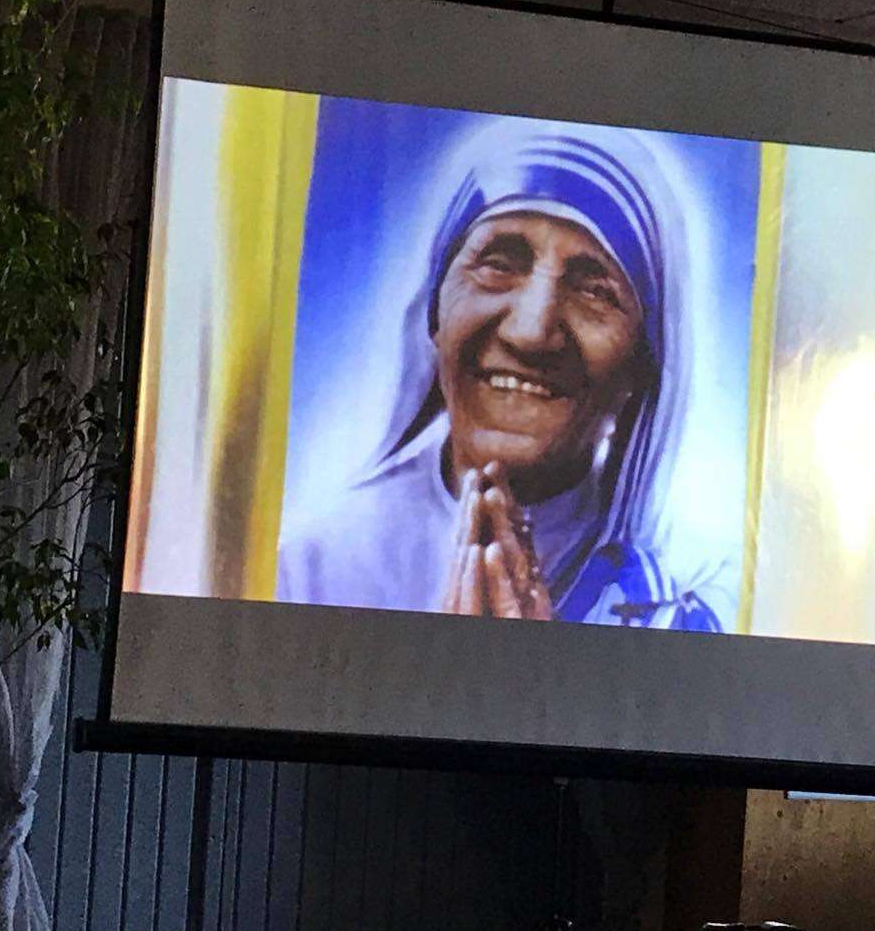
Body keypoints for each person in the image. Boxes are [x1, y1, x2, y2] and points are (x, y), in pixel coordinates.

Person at [276, 117, 731, 631]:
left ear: (642, 365)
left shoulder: (687, 599)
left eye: (594, 291)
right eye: (498, 264)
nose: (530, 332)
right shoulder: (309, 569)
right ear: (434, 314)